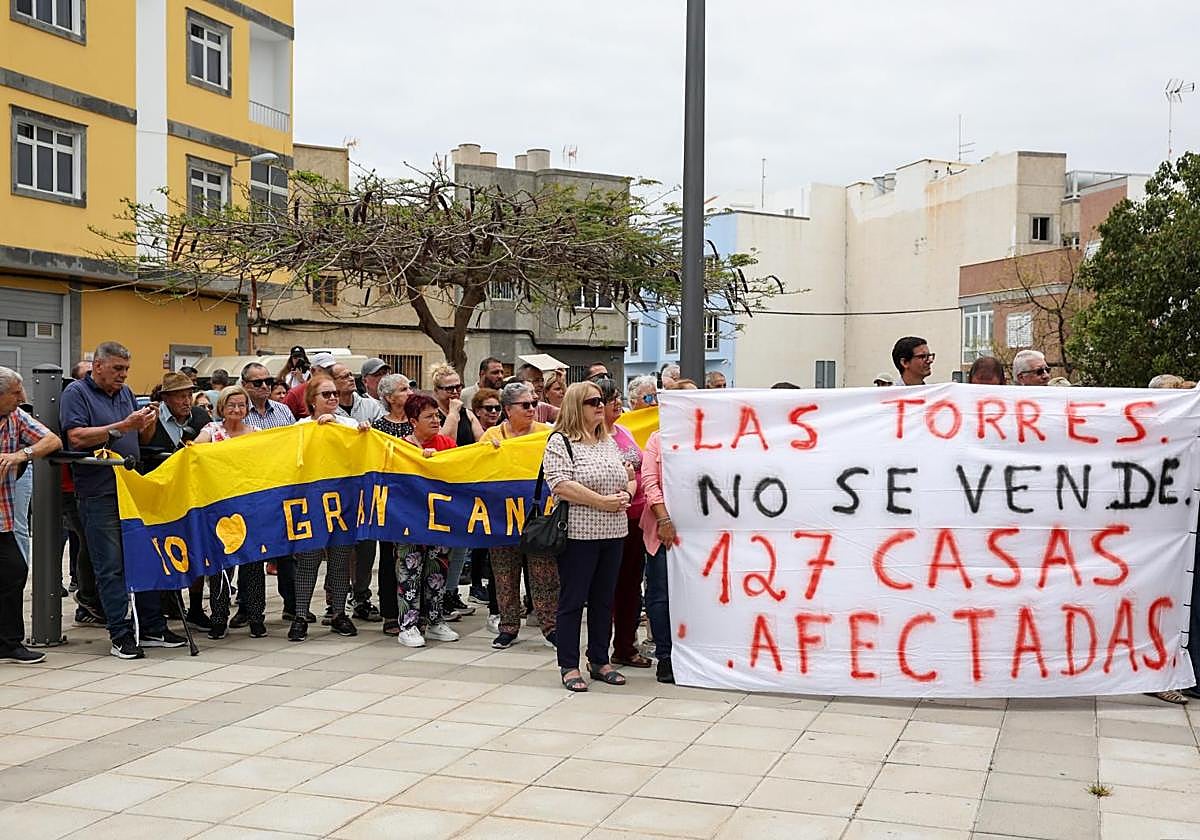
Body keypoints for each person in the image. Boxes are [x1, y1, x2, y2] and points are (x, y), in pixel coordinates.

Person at [60, 342, 188, 659]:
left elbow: (140, 439)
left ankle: (152, 627)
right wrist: (121, 426)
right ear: (97, 366)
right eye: (117, 369)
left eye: (126, 370)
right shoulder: (77, 393)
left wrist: (148, 423)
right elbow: (75, 438)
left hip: (132, 487)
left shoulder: (126, 393)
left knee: (142, 557)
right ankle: (121, 633)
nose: (123, 375)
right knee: (110, 566)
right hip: (99, 490)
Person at [542, 381, 637, 692]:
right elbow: (561, 485)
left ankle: (599, 658)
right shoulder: (560, 442)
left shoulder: (608, 441)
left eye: (602, 400)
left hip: (614, 532)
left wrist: (625, 494)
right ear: (575, 406)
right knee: (572, 600)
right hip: (579, 534)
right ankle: (568, 664)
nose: (601, 405)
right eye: (592, 401)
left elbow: (628, 476)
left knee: (603, 599)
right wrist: (602, 502)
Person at [286, 376, 370, 642]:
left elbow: (364, 450)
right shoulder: (300, 427)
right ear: (312, 400)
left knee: (340, 559)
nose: (333, 398)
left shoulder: (349, 424)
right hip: (310, 501)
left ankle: (338, 614)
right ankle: (300, 616)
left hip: (343, 502)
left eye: (335, 393)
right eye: (326, 394)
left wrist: (362, 432)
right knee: (308, 561)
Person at [480, 383, 556, 649]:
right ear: (508, 409)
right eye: (526, 405)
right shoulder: (491, 435)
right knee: (503, 575)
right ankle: (508, 627)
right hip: (503, 519)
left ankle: (551, 626)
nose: (532, 409)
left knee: (544, 574)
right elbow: (476, 470)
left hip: (538, 518)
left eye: (534, 403)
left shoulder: (547, 434)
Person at [191, 386, 267, 639]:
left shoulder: (256, 434)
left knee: (254, 564)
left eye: (242, 405)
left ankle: (256, 617)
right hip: (219, 508)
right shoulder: (212, 431)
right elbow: (196, 448)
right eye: (231, 405)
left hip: (250, 506)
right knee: (220, 565)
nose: (237, 409)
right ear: (221, 408)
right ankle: (219, 617)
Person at [0, 366, 62, 664]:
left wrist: (22, 455)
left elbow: (52, 440)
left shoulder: (15, 417)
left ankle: (8, 643)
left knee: (14, 571)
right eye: (15, 393)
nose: (22, 397)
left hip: (2, 518)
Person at [638, 378, 698, 684]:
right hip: (664, 532)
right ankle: (666, 655)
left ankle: (697, 654)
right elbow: (649, 483)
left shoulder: (712, 440)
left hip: (702, 537)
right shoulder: (656, 441)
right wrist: (664, 520)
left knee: (698, 595)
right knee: (660, 594)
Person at [394, 393, 461, 647]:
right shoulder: (400, 446)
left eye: (437, 415)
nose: (435, 420)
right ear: (413, 421)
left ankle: (434, 620)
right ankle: (408, 625)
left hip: (439, 520)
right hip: (409, 521)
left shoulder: (446, 443)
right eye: (428, 416)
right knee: (410, 571)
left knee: (438, 570)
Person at [238, 362, 297, 626]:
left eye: (269, 381)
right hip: (250, 490)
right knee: (250, 551)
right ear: (244, 385)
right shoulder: (238, 413)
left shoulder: (284, 412)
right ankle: (249, 609)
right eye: (257, 382)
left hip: (281, 488)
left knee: (287, 550)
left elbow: (296, 445)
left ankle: (293, 604)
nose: (265, 386)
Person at [602, 378, 651, 669]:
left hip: (637, 519)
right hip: (609, 519)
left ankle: (625, 645)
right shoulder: (594, 438)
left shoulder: (624, 430)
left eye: (618, 397)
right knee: (609, 586)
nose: (616, 403)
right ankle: (602, 647)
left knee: (631, 586)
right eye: (610, 400)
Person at [429, 362, 481, 620]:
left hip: (464, 484)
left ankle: (451, 592)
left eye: (458, 387)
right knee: (443, 546)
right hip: (440, 486)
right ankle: (437, 597)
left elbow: (481, 441)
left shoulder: (467, 412)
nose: (455, 392)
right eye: (449, 388)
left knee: (462, 543)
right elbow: (443, 442)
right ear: (436, 390)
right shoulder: (435, 414)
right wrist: (452, 414)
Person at [370, 374, 413, 636]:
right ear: (388, 398)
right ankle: (390, 612)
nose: (409, 392)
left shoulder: (419, 421)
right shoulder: (377, 427)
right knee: (389, 556)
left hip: (415, 497)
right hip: (389, 499)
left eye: (409, 388)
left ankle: (414, 610)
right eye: (403, 389)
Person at [282, 351, 337, 419]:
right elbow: (283, 419)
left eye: (333, 370)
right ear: (313, 371)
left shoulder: (339, 390)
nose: (331, 373)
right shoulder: (295, 394)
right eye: (327, 370)